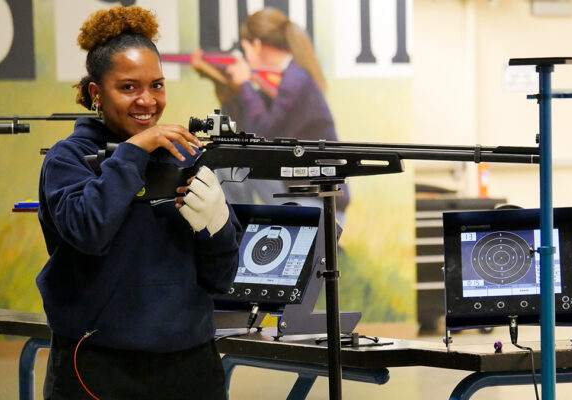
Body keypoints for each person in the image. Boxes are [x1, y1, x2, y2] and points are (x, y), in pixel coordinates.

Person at [36, 6, 239, 399]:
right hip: (95, 365)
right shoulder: (67, 159)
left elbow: (222, 278)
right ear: (96, 93)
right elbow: (89, 230)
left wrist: (218, 227)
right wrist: (134, 152)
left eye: (157, 85)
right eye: (128, 87)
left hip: (191, 365)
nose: (147, 101)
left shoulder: (186, 159)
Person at [192, 7, 350, 223]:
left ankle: (237, 231)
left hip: (320, 204)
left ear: (256, 45)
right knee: (228, 162)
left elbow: (263, 136)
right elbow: (241, 136)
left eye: (246, 50)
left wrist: (245, 84)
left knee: (231, 166)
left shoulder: (295, 82)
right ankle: (237, 231)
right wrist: (226, 88)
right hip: (301, 194)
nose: (246, 58)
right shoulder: (290, 79)